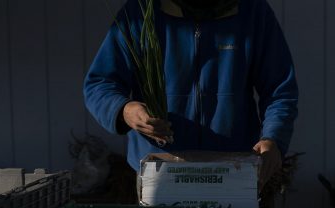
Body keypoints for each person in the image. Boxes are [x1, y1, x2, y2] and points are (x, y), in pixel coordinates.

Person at [84, 0, 298, 190]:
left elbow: (279, 88)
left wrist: (273, 139)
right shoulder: (141, 11)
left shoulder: (253, 11)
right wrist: (125, 110)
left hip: (234, 169)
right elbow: (100, 84)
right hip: (159, 172)